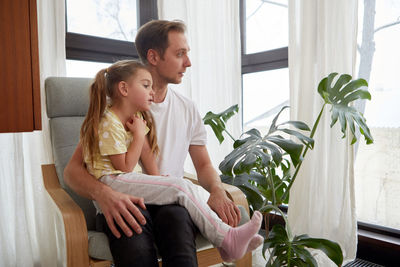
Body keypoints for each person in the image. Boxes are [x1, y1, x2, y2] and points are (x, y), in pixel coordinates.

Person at [63, 20, 250, 267]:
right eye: (180, 53)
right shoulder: (115, 108)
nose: (188, 63)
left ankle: (227, 239)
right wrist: (104, 194)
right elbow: (72, 171)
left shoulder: (186, 109)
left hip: (170, 201)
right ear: (153, 56)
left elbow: (203, 164)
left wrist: (216, 190)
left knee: (179, 239)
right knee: (137, 250)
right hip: (122, 202)